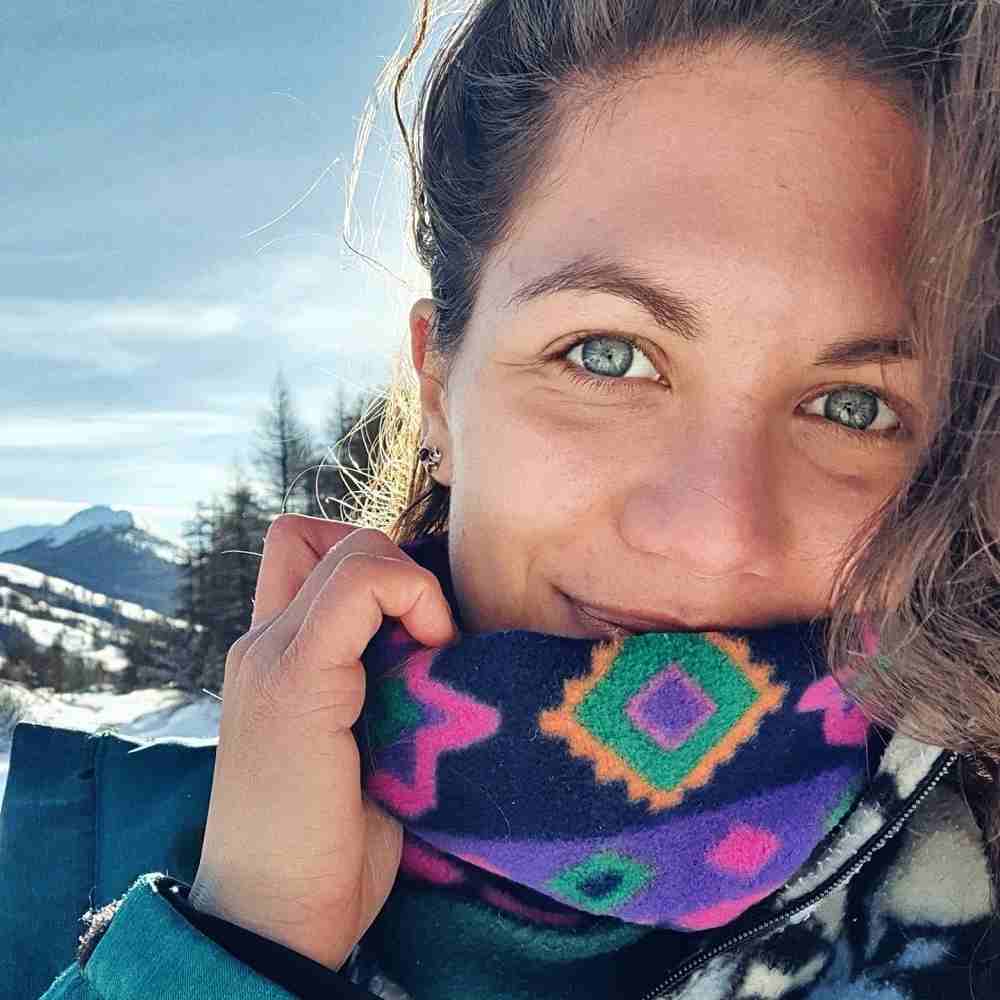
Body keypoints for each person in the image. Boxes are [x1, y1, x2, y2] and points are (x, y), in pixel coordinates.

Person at [4, 1, 1000, 998]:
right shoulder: (54, 870)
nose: (711, 534)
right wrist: (238, 943)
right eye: (606, 355)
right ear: (438, 389)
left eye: (851, 406)